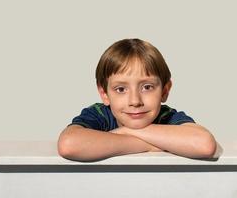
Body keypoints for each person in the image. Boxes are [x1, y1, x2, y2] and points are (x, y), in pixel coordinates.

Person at [58, 38, 216, 162]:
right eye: (121, 89)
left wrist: (126, 131)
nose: (135, 101)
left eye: (147, 87)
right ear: (104, 94)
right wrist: (147, 144)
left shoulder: (166, 116)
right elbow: (68, 145)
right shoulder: (100, 114)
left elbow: (204, 145)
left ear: (165, 91)